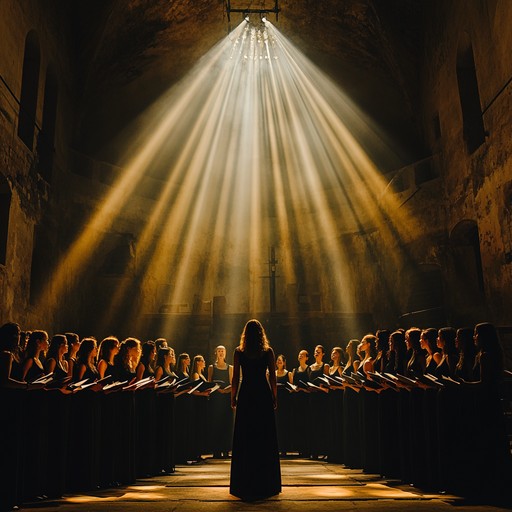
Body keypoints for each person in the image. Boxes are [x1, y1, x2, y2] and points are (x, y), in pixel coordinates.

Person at [230, 319, 281, 501]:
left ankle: (244, 483)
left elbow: (236, 378)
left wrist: (233, 397)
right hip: (262, 393)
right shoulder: (267, 352)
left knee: (246, 437)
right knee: (264, 436)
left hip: (246, 395)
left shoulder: (239, 352)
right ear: (261, 334)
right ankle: (266, 482)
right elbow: (273, 378)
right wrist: (274, 397)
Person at [208, 345, 233, 459]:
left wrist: (225, 391)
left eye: (222, 351)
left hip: (226, 397)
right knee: (216, 423)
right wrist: (218, 389)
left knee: (226, 423)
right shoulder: (211, 367)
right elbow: (209, 383)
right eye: (219, 351)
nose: (221, 353)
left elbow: (233, 384)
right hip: (216, 398)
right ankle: (216, 450)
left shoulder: (230, 368)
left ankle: (226, 450)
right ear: (216, 353)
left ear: (225, 353)